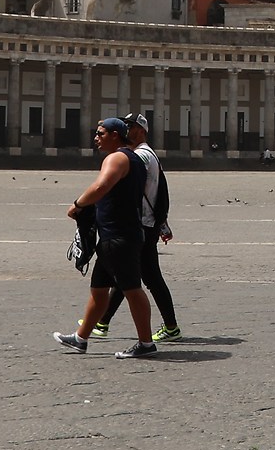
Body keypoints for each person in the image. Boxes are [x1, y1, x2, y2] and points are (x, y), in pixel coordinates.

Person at [54, 118, 156, 358]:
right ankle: (81, 338)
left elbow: (101, 186)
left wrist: (77, 205)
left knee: (132, 289)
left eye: (100, 133)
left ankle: (146, 344)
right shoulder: (134, 159)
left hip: (119, 236)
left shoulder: (118, 158)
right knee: (99, 290)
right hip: (116, 234)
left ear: (115, 135)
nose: (96, 138)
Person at [90, 115, 183, 339]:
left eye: (129, 127)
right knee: (137, 276)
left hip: (139, 224)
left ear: (140, 131)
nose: (125, 129)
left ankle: (103, 323)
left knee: (133, 277)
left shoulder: (139, 156)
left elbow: (132, 191)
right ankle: (103, 322)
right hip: (145, 223)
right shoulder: (148, 155)